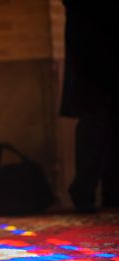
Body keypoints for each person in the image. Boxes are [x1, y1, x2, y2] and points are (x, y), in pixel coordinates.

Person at [60, 0, 118, 213]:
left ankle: (109, 192)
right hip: (92, 54)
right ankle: (84, 192)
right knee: (96, 123)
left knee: (106, 124)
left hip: (98, 51)